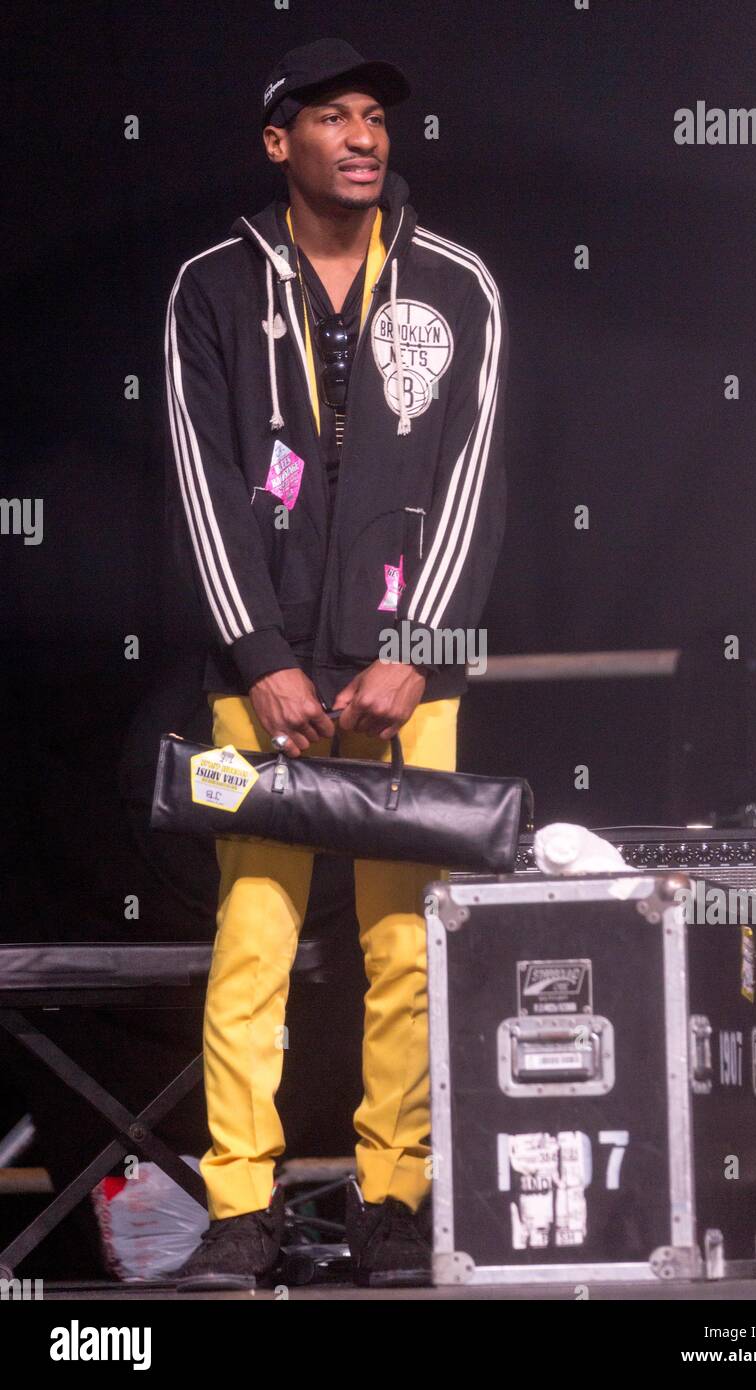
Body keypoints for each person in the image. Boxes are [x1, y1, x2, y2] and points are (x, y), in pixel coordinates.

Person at [164, 37, 509, 1289]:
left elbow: (471, 481)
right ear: (279, 143)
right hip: (264, 681)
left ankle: (393, 1201)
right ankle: (240, 1212)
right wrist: (259, 657)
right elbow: (203, 484)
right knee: (253, 936)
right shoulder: (211, 284)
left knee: (408, 943)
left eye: (375, 116)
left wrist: (414, 651)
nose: (363, 135)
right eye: (332, 117)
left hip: (407, 677)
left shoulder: (457, 281)